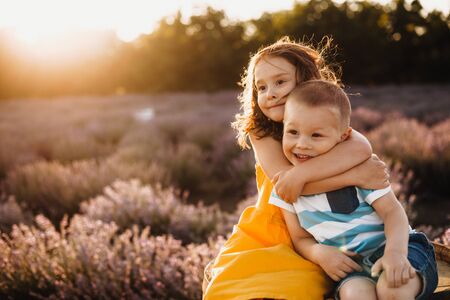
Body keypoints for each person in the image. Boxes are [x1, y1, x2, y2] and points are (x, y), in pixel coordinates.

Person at [202, 37, 390, 299]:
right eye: (262, 87)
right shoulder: (261, 133)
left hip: (322, 228)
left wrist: (303, 175)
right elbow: (287, 188)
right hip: (272, 230)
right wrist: (354, 175)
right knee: (232, 286)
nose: (271, 93)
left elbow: (360, 148)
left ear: (306, 82)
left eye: (280, 82)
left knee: (300, 288)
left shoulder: (324, 124)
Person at [269, 80, 438, 300]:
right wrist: (320, 253)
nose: (302, 144)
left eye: (316, 135)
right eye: (292, 132)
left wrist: (395, 254)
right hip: (352, 266)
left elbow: (393, 213)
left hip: (399, 248)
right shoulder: (286, 188)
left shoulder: (360, 170)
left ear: (343, 137)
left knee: (392, 290)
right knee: (355, 295)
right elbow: (301, 238)